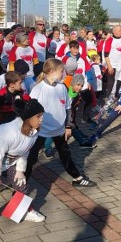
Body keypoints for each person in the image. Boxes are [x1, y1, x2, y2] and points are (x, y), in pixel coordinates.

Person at [24, 59, 97, 187]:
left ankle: (77, 178)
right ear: (52, 72)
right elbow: (30, 112)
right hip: (41, 131)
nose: (63, 74)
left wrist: (68, 126)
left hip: (59, 130)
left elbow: (68, 108)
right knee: (31, 159)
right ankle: (20, 184)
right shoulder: (38, 89)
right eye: (61, 71)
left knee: (65, 155)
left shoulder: (62, 87)